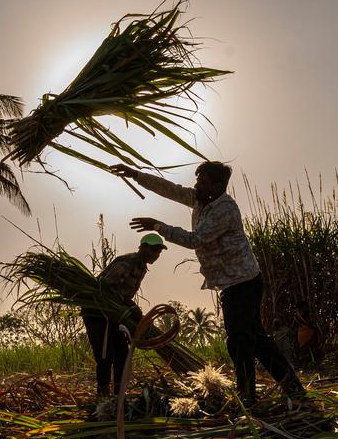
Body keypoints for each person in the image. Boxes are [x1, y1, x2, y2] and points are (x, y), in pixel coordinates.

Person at [112, 161, 304, 404]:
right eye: (197, 180)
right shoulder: (200, 199)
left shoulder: (225, 210)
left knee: (240, 341)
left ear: (217, 186)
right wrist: (136, 175)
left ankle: (247, 397)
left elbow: (196, 239)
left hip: (243, 282)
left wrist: (158, 226)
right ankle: (293, 389)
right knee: (256, 340)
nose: (196, 185)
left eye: (202, 182)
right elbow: (170, 189)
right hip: (232, 283)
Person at [82, 233, 165, 397]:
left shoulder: (141, 267)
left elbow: (123, 295)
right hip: (99, 312)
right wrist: (130, 306)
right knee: (106, 358)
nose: (156, 254)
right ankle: (103, 398)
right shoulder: (128, 262)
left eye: (159, 251)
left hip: (114, 314)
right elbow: (105, 287)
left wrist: (131, 310)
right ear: (142, 247)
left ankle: (118, 397)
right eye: (154, 250)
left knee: (122, 355)